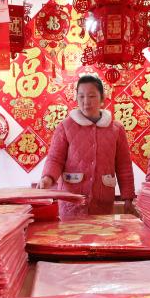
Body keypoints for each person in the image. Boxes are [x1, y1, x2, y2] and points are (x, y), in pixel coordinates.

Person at [39, 74, 136, 217]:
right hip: (72, 202)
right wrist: (48, 177)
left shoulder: (116, 129)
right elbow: (55, 159)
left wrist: (128, 198)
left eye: (91, 96)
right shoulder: (65, 127)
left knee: (102, 231)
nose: (86, 102)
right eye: (81, 96)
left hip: (103, 202)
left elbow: (124, 166)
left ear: (102, 99)